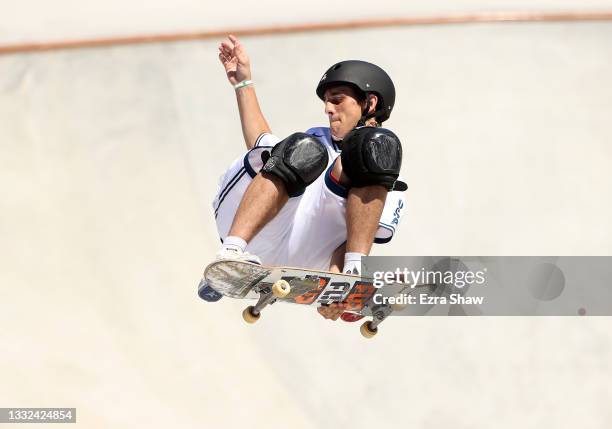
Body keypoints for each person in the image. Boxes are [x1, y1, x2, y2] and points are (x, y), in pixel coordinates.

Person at [201, 35, 407, 321]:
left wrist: (338, 290)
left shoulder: (385, 181)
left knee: (373, 148)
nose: (327, 108)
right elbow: (261, 140)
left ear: (369, 103)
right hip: (257, 227)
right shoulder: (315, 139)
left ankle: (353, 273)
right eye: (326, 102)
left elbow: (343, 239)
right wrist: (242, 83)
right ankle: (232, 252)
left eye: (336, 100)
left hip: (307, 255)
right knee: (303, 151)